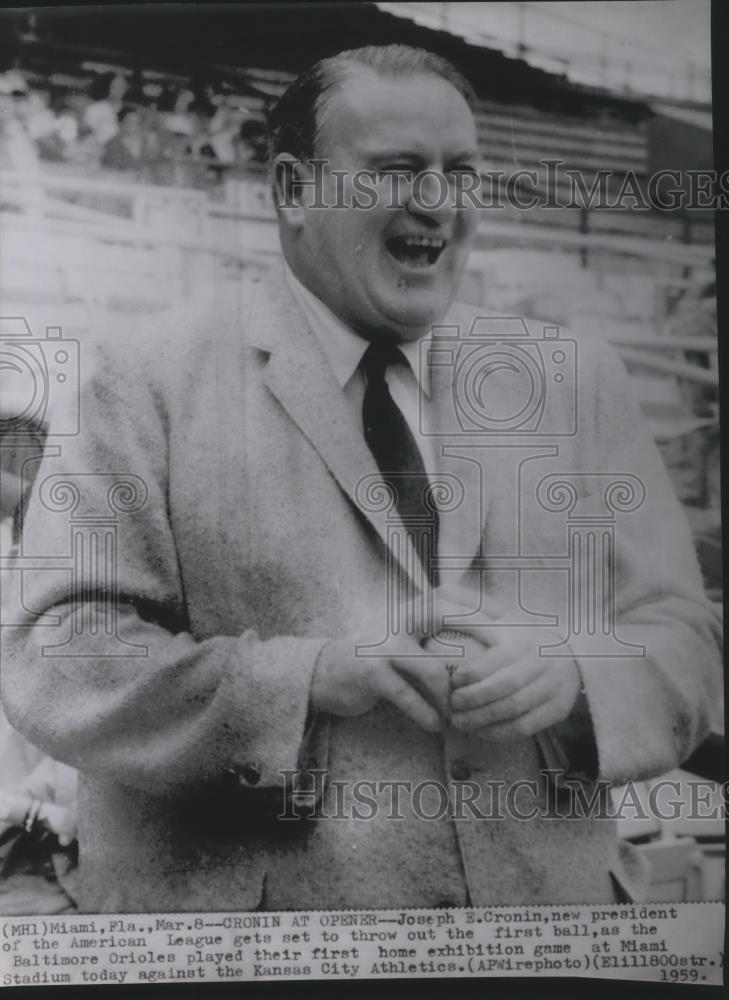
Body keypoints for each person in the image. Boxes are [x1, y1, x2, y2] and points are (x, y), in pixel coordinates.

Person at [1, 45, 721, 913]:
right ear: (293, 189)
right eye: (396, 170)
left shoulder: (574, 380)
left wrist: (575, 675)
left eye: (461, 172)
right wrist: (305, 681)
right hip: (267, 954)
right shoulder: (143, 379)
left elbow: (684, 635)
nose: (437, 203)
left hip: (545, 927)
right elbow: (59, 656)